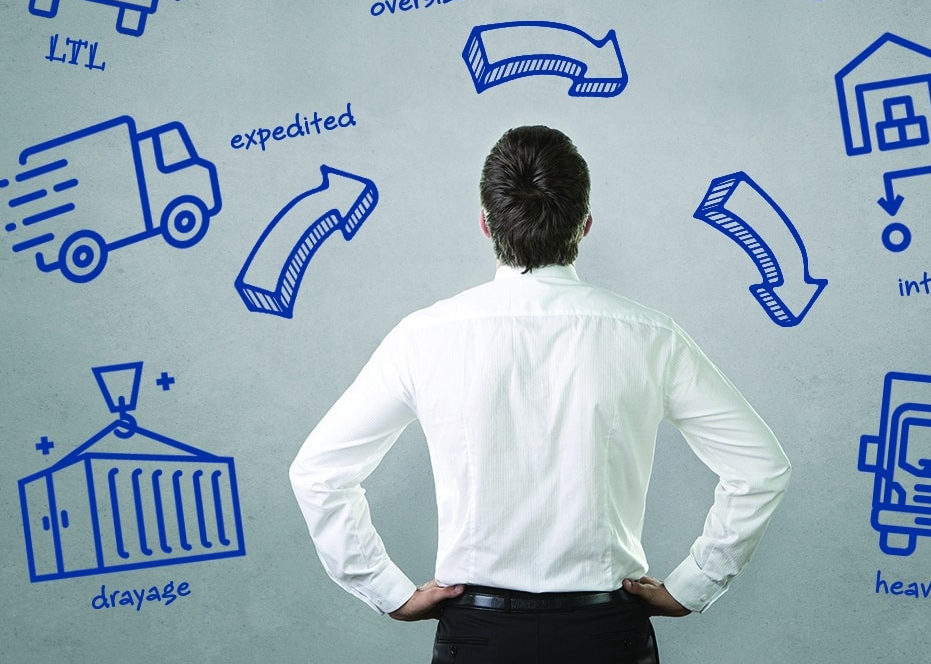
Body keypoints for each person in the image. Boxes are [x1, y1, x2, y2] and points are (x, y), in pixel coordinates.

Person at [290, 125, 791, 663]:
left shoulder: (423, 337)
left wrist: (387, 592)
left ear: (485, 225)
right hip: (607, 635)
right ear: (586, 226)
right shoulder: (650, 336)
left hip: (477, 638)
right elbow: (761, 467)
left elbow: (318, 473)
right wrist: (695, 584)